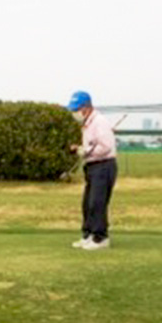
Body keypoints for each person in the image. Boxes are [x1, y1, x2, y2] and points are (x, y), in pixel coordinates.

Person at [67, 90, 118, 250]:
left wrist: (85, 150)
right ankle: (88, 235)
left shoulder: (99, 121)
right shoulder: (88, 123)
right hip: (92, 166)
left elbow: (106, 147)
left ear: (86, 107)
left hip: (104, 165)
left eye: (76, 109)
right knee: (87, 203)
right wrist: (83, 149)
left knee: (97, 203)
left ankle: (100, 238)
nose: (74, 113)